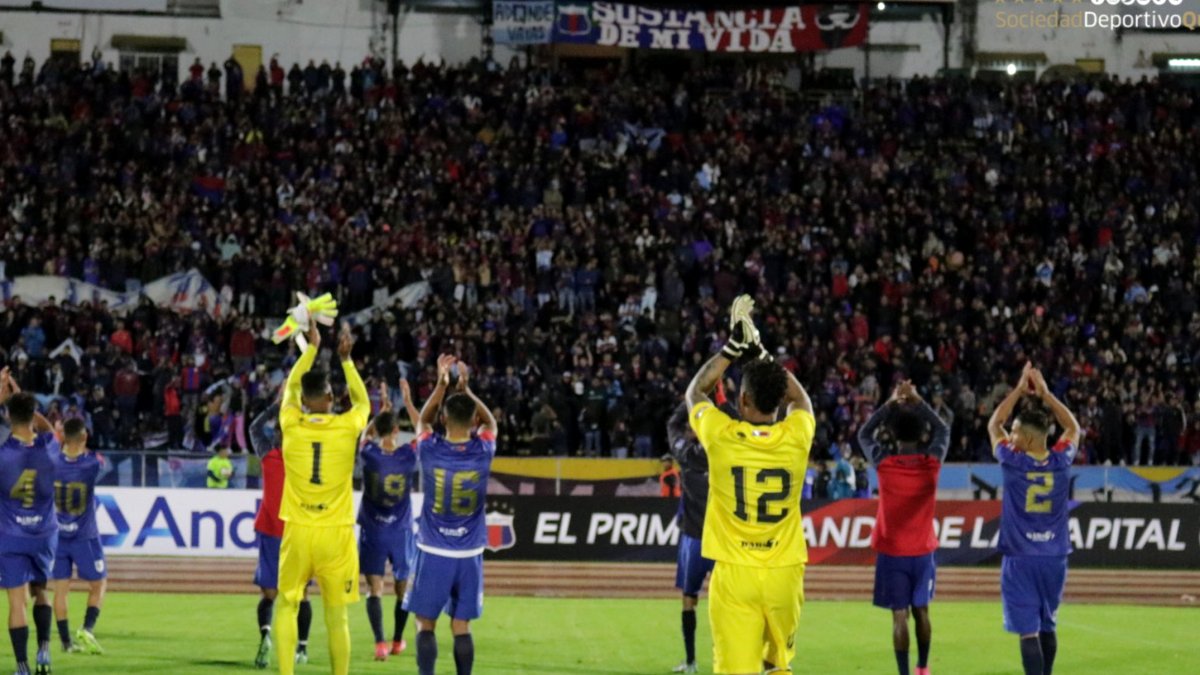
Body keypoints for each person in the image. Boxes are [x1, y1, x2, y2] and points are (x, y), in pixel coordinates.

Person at [684, 295, 815, 675]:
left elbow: (696, 392)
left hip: (734, 573)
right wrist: (759, 350)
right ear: (778, 403)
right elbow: (800, 398)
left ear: (741, 400)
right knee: (778, 667)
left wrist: (732, 349)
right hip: (785, 571)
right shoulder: (797, 436)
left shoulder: (723, 436)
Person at [274, 323, 369, 675]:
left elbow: (290, 388)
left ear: (302, 400)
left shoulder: (290, 422)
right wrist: (346, 361)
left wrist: (310, 350)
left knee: (286, 605)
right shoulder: (346, 427)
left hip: (298, 529)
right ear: (330, 399)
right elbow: (362, 402)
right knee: (336, 614)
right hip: (336, 533)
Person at [405, 356, 498, 675]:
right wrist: (467, 390)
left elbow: (422, 422)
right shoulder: (483, 450)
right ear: (473, 423)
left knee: (425, 623)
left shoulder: (429, 448)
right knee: (461, 626)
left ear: (444, 419)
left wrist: (442, 385)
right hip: (470, 553)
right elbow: (492, 424)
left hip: (433, 550)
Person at [987, 363, 1080, 675]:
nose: (1009, 435)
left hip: (1021, 558)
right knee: (1047, 625)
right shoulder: (1061, 460)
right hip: (1055, 557)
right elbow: (1073, 429)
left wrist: (1017, 389)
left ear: (1026, 438)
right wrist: (1047, 394)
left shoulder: (1012, 461)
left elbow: (993, 424)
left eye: (1014, 431)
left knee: (1028, 632)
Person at [858, 380, 950, 675]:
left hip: (892, 551)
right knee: (922, 610)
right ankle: (923, 668)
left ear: (893, 434)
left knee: (899, 615)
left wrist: (891, 403)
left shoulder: (884, 463)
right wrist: (918, 399)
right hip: (923, 551)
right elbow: (943, 430)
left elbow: (863, 433)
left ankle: (904, 674)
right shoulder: (931, 463)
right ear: (922, 434)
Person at [0, 370, 59, 675]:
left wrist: (4, 399)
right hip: (44, 534)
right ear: (33, 413)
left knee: (15, 602)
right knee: (42, 592)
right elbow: (49, 429)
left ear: (8, 417)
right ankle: (45, 651)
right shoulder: (49, 447)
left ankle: (22, 667)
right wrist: (16, 396)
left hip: (11, 535)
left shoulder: (3, 455)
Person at [247, 399, 312, 669]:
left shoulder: (269, 456)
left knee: (269, 594)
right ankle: (302, 649)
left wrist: (277, 403)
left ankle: (266, 634)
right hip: (297, 530)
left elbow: (254, 427)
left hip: (270, 528)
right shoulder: (306, 460)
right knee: (302, 594)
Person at [358, 381, 419, 661]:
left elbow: (364, 436)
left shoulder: (368, 454)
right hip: (401, 530)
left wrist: (379, 414)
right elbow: (424, 431)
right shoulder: (407, 455)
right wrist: (407, 402)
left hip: (373, 529)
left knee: (374, 589)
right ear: (396, 431)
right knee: (402, 586)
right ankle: (397, 641)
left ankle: (379, 643)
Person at [666, 400, 716, 674]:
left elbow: (673, 424)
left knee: (688, 599)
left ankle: (691, 662)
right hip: (723, 541)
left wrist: (692, 398)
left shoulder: (684, 453)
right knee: (733, 603)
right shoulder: (725, 451)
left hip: (693, 540)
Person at [49, 418, 106, 656]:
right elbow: (100, 460)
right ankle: (87, 628)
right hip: (85, 536)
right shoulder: (92, 464)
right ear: (84, 438)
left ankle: (65, 642)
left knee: (61, 589)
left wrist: (56, 435)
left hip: (57, 537)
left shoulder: (51, 462)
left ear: (63, 437)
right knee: (99, 583)